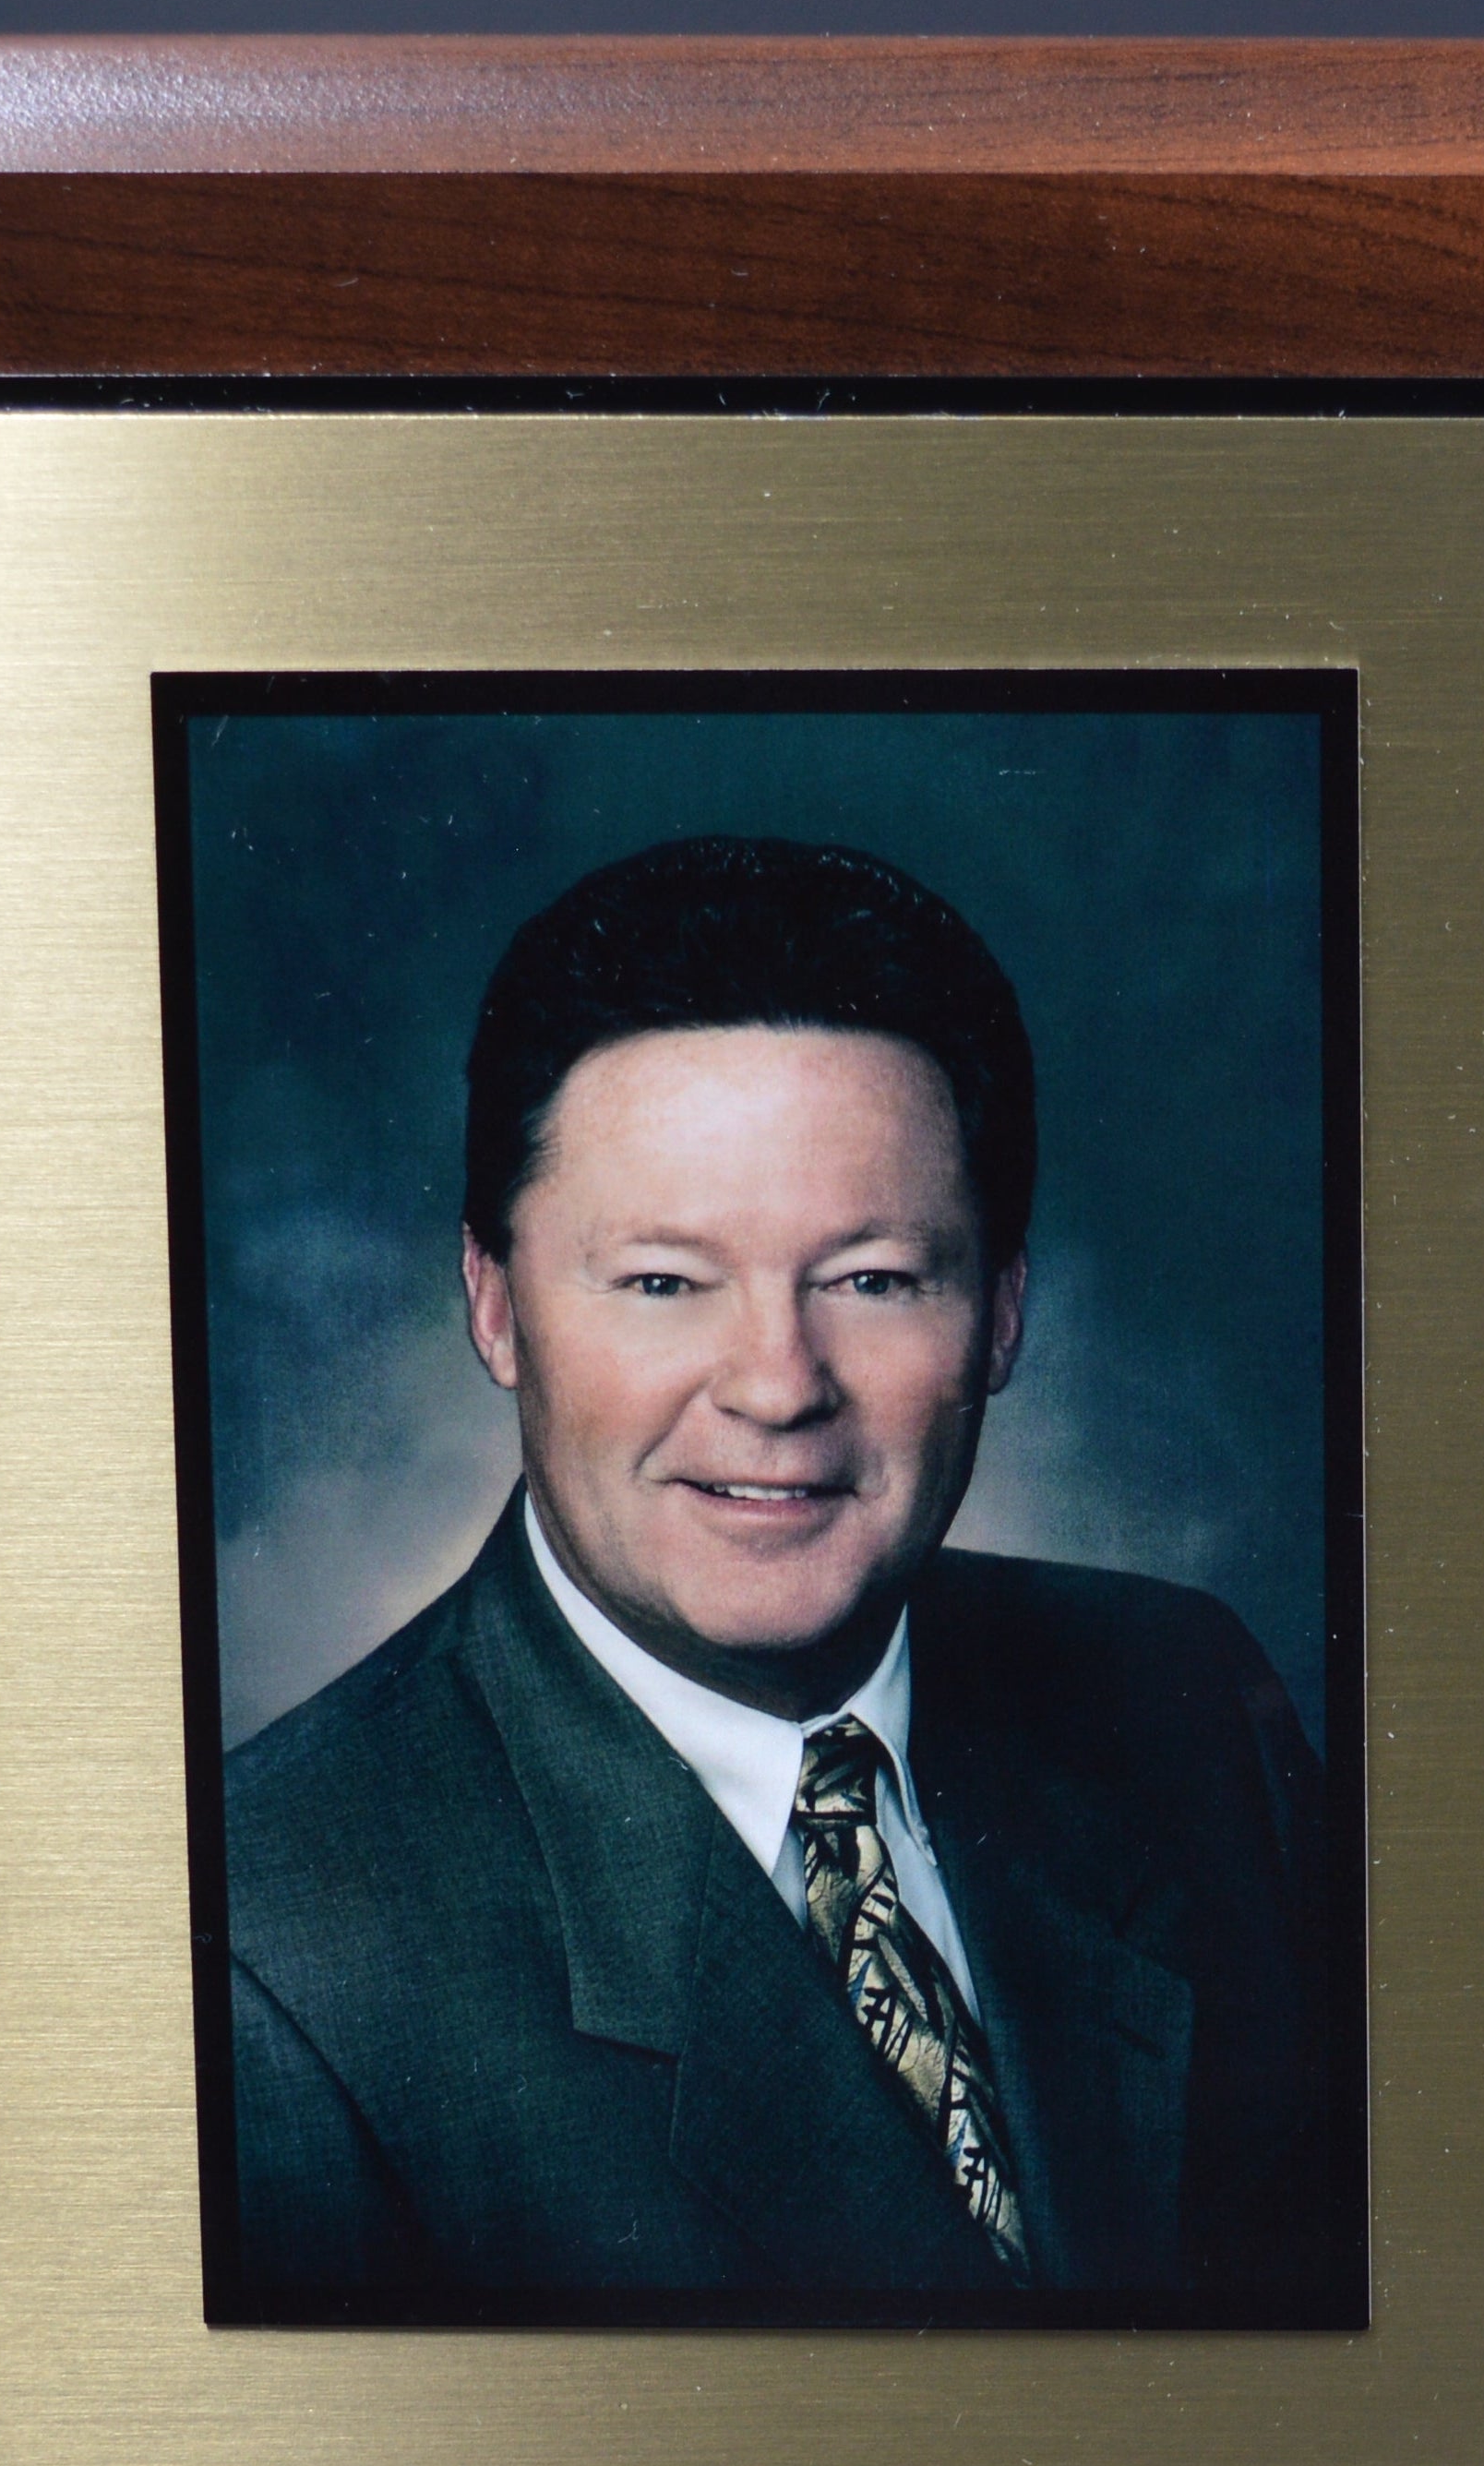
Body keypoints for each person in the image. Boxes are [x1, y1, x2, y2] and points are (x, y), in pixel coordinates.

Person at [213, 835, 1349, 2324]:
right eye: (663, 1282)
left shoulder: (1186, 1698)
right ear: (495, 1307)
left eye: (872, 1278)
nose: (776, 1385)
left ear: (1000, 1313)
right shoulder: (267, 1959)